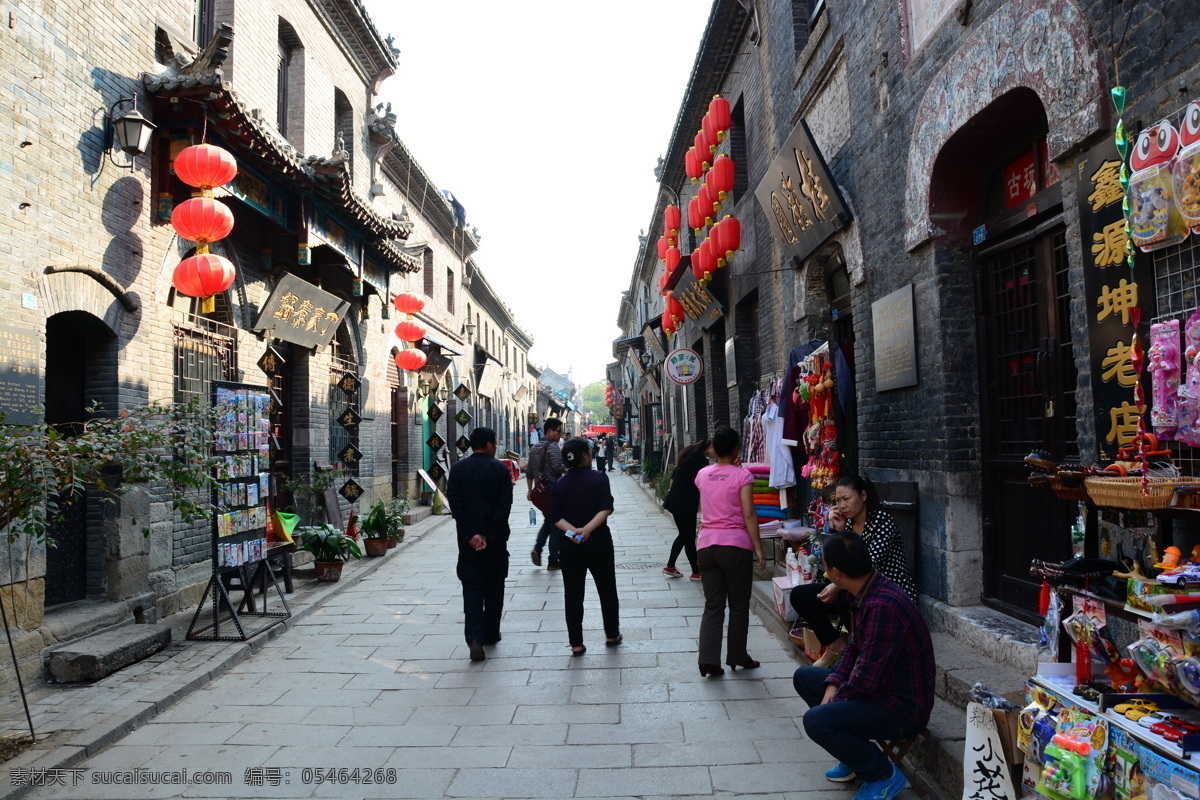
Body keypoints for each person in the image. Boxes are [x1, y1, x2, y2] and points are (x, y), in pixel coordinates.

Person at [792, 532, 934, 799]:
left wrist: (835, 701)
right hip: (880, 690)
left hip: (901, 707)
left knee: (817, 721)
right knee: (805, 677)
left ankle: (882, 774)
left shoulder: (883, 605)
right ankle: (856, 755)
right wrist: (833, 683)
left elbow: (867, 677)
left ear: (835, 573)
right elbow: (854, 648)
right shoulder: (865, 592)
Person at [790, 475, 916, 668]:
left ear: (863, 496)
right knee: (800, 596)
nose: (841, 505)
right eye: (838, 500)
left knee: (844, 596)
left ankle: (862, 653)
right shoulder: (849, 523)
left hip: (888, 594)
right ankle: (835, 644)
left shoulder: (882, 521)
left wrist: (837, 585)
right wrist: (840, 532)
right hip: (857, 589)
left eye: (846, 499)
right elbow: (845, 562)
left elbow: (866, 566)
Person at [694, 427, 765, 677]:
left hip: (706, 546)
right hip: (735, 546)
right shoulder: (742, 476)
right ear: (736, 448)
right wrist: (758, 547)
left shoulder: (702, 475)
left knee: (713, 605)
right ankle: (737, 656)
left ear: (714, 449)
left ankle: (708, 660)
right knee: (738, 605)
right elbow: (748, 513)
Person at [445, 427, 514, 662]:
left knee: (472, 589)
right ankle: (491, 633)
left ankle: (474, 638)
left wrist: (471, 535)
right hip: (495, 543)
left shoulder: (458, 469)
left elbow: (455, 504)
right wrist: (488, 534)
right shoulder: (500, 469)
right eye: (494, 443)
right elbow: (504, 508)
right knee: (495, 588)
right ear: (489, 444)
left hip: (468, 545)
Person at [547, 437, 620, 655]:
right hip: (598, 542)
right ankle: (611, 634)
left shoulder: (559, 483)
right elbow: (606, 508)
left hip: (569, 545)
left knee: (573, 593)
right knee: (606, 589)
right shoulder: (599, 478)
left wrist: (573, 532)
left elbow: (555, 517)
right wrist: (587, 530)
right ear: (586, 456)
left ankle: (576, 643)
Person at [661, 438, 709, 580]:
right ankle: (696, 571)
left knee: (684, 535)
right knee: (687, 537)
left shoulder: (687, 458)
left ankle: (670, 566)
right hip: (685, 503)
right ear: (706, 449)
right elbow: (704, 484)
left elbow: (672, 480)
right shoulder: (701, 461)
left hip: (675, 501)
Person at [527, 417, 566, 570]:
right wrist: (572, 472)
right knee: (555, 525)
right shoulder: (553, 447)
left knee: (549, 522)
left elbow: (529, 471)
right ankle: (553, 560)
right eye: (558, 431)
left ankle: (538, 549)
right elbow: (558, 467)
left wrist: (530, 490)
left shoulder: (535, 447)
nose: (560, 434)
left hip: (541, 493)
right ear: (549, 431)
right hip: (553, 492)